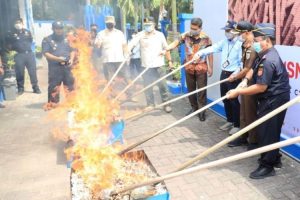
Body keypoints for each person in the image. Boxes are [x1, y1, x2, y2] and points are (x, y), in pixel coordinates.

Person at [227, 23, 290, 179]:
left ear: (267, 40)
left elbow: (261, 87)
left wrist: (237, 91)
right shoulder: (265, 53)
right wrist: (244, 81)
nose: (254, 41)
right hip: (274, 98)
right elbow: (253, 69)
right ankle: (275, 159)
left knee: (267, 132)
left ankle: (267, 166)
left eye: (257, 39)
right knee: (271, 130)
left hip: (274, 99)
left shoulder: (269, 59)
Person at [194, 20, 243, 134]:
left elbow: (242, 63)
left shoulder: (240, 44)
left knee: (234, 101)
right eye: (225, 31)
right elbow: (213, 48)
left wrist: (235, 74)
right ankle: (229, 121)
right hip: (224, 73)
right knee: (225, 98)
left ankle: (237, 124)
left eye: (228, 31)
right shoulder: (225, 42)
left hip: (234, 76)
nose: (226, 33)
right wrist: (200, 53)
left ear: (235, 31)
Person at [163, 17, 213, 121]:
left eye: (195, 28)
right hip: (189, 67)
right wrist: (167, 48)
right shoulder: (185, 35)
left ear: (200, 28)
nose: (192, 30)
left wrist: (210, 67)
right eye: (191, 28)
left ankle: (202, 112)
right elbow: (175, 43)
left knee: (202, 91)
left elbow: (210, 53)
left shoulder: (206, 38)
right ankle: (194, 108)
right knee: (191, 90)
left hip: (201, 67)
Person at [130, 17, 172, 113]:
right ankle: (150, 104)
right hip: (146, 66)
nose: (147, 27)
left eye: (149, 25)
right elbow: (132, 44)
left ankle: (166, 104)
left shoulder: (160, 35)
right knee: (148, 86)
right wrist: (128, 50)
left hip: (159, 65)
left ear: (154, 25)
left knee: (162, 85)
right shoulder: (140, 35)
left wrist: (169, 61)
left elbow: (166, 48)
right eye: (145, 25)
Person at [227, 21, 258, 148]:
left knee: (250, 112)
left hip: (251, 83)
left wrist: (235, 77)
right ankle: (243, 137)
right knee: (243, 112)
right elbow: (242, 66)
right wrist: (236, 75)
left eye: (240, 34)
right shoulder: (244, 45)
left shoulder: (254, 47)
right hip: (244, 81)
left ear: (246, 33)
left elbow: (247, 68)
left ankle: (253, 141)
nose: (239, 36)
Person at [42, 21, 76, 105]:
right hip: (55, 67)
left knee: (70, 85)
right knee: (54, 86)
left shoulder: (68, 38)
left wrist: (71, 59)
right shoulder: (47, 39)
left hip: (67, 67)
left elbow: (72, 50)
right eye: (57, 28)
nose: (59, 30)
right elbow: (46, 53)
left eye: (61, 28)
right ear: (53, 29)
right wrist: (58, 59)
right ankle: (53, 103)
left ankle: (71, 103)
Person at [9, 18, 41, 95]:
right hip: (19, 55)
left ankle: (35, 87)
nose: (17, 24)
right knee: (19, 72)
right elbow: (9, 45)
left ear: (22, 23)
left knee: (32, 72)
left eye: (19, 22)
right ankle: (20, 88)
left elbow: (30, 40)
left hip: (29, 54)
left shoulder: (27, 32)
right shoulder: (11, 33)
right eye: (16, 23)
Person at [95, 16, 129, 82]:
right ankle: (112, 91)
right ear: (105, 24)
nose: (109, 24)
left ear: (114, 23)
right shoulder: (101, 34)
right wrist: (98, 43)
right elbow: (97, 45)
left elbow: (124, 45)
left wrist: (127, 56)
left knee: (123, 79)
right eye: (108, 23)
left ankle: (127, 92)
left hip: (119, 60)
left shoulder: (119, 33)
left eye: (111, 23)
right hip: (107, 61)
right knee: (110, 80)